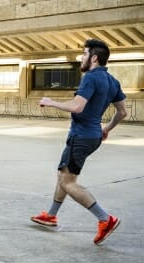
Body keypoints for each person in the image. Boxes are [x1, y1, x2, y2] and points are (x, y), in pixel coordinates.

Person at [31, 39, 127, 245]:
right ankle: (51, 215)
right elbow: (122, 112)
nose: (81, 58)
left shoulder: (91, 77)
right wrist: (106, 129)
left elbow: (77, 106)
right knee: (63, 174)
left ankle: (105, 219)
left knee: (68, 181)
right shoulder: (112, 81)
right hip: (92, 136)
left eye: (83, 54)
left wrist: (50, 102)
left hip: (81, 136)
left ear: (94, 58)